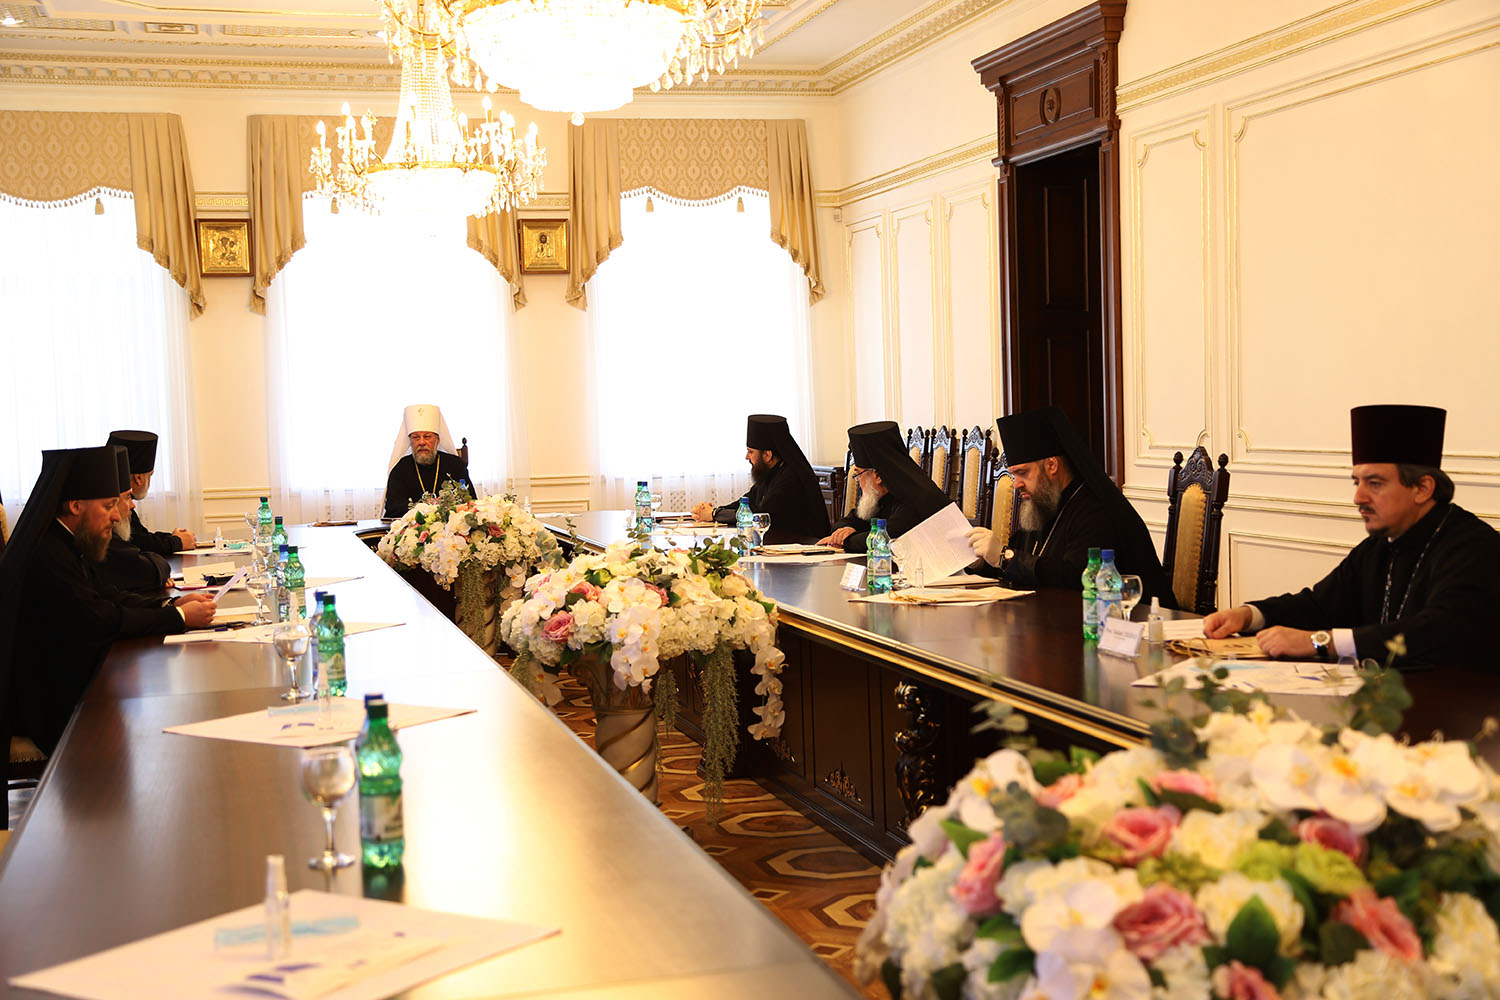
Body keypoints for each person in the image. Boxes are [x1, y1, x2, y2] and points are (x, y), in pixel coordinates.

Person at [1203, 404, 1500, 667]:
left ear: (1422, 489)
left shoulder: (1475, 548)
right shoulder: (1380, 545)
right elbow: (1320, 605)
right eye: (1357, 482)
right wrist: (1249, 615)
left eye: (1375, 483)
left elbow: (1440, 631)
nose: (1358, 497)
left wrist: (1321, 642)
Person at [0, 446, 216, 754]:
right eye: (108, 505)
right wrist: (178, 618)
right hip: (51, 703)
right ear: (76, 506)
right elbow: (99, 619)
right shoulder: (48, 555)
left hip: (72, 679)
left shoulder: (66, 542)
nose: (116, 516)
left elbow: (108, 595)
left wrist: (170, 605)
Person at [966, 407, 1170, 603]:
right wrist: (982, 562)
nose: (1016, 483)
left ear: (1052, 465)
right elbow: (1015, 559)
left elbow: (1077, 576)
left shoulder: (1095, 511)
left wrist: (1005, 557)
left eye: (1023, 473)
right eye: (1014, 475)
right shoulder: (1043, 504)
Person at [817, 421, 953, 553]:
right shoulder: (878, 497)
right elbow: (846, 522)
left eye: (858, 474)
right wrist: (843, 531)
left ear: (877, 476)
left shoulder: (913, 499)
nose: (857, 481)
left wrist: (846, 540)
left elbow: (886, 539)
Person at [691, 414, 831, 540]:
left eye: (751, 452)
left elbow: (760, 515)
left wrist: (715, 514)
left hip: (801, 547)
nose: (747, 457)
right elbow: (745, 503)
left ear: (767, 455)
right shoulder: (771, 472)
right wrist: (713, 512)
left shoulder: (791, 477)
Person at [96, 444, 172, 593]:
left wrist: (170, 604)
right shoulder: (101, 537)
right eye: (127, 497)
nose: (132, 505)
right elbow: (147, 568)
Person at [108, 429, 195, 553]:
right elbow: (138, 544)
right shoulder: (115, 505)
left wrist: (174, 538)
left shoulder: (124, 503)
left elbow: (141, 536)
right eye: (150, 475)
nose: (131, 505)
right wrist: (177, 542)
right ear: (138, 478)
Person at [383, 403, 472, 519]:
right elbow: (393, 508)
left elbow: (470, 501)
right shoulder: (400, 469)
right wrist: (425, 511)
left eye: (427, 437)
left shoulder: (455, 465)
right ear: (410, 441)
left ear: (437, 440)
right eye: (416, 437)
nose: (421, 442)